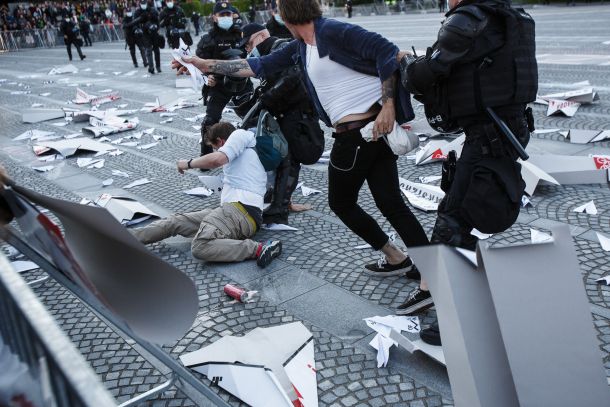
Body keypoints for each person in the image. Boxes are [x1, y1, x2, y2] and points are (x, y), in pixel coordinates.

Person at [173, 0, 429, 280]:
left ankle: (407, 262)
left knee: (342, 203)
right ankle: (416, 265)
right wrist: (203, 63)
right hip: (367, 135)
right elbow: (254, 66)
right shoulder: (301, 47)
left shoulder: (331, 31)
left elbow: (387, 52)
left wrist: (389, 106)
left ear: (287, 14)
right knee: (390, 202)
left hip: (358, 135)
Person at [397, 0, 537, 345]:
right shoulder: (510, 16)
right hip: (507, 128)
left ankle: (459, 317)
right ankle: (472, 296)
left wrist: (408, 65)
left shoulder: (468, 19)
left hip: (489, 134)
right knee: (461, 213)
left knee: (452, 221)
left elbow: (428, 73)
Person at [132, 122, 282, 267]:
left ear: (221, 141)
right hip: (231, 212)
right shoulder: (245, 154)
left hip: (241, 212)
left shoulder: (239, 135)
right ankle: (127, 239)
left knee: (200, 246)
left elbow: (216, 160)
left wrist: (188, 163)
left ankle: (258, 248)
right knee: (175, 221)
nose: (215, 151)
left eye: (214, 147)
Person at [238, 23, 322, 224]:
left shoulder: (281, 46)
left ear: (259, 37)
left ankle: (279, 208)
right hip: (287, 113)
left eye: (248, 45)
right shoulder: (270, 51)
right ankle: (279, 202)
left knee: (290, 160)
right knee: (286, 159)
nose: (248, 50)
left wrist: (267, 99)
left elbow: (292, 77)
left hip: (298, 114)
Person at [196, 1, 252, 158]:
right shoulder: (208, 39)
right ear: (214, 17)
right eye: (222, 15)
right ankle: (205, 155)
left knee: (252, 117)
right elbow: (198, 65)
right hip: (219, 86)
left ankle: (254, 151)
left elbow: (254, 57)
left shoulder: (242, 35)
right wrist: (208, 77)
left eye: (228, 14)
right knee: (209, 121)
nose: (225, 17)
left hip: (242, 83)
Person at [134, 0, 162, 74]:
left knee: (156, 50)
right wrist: (137, 29)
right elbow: (135, 23)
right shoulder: (137, 12)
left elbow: (157, 20)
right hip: (145, 33)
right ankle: (151, 67)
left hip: (154, 31)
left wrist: (157, 26)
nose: (143, 5)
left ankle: (158, 67)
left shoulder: (152, 10)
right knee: (148, 50)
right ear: (140, 4)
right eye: (142, 3)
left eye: (144, 3)